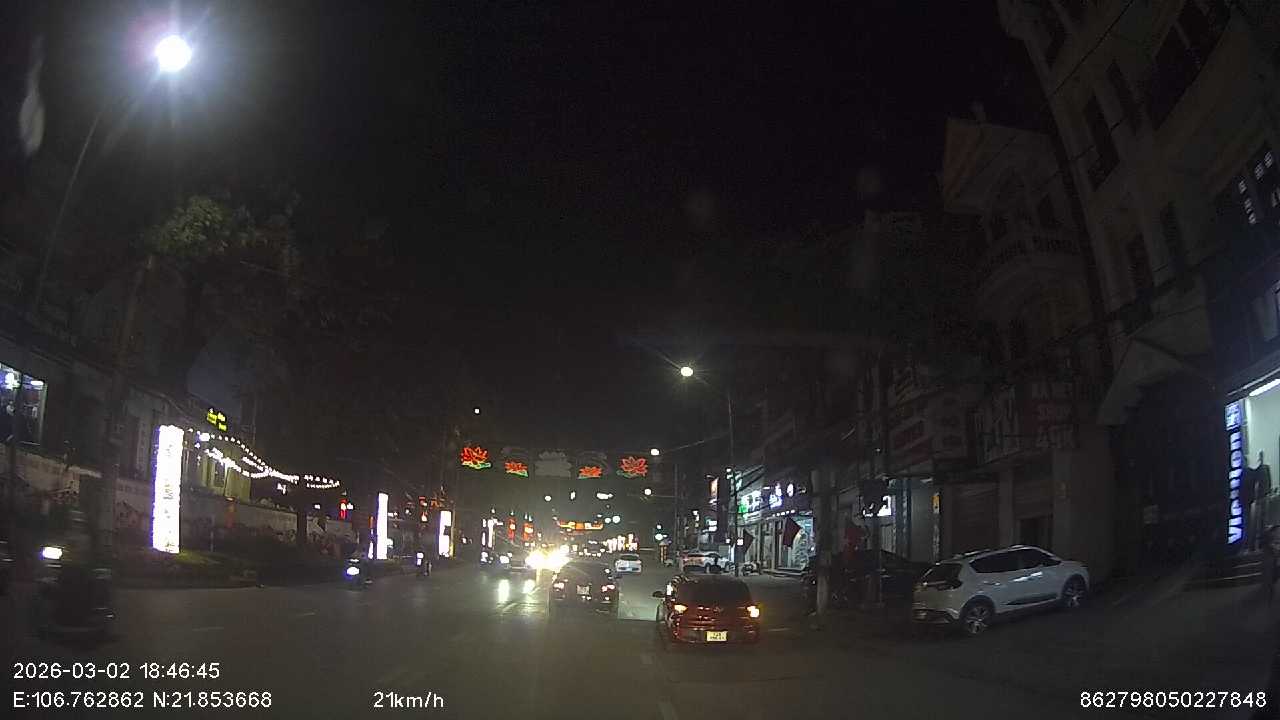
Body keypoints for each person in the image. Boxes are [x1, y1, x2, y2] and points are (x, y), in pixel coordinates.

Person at [1262, 525, 1277, 606]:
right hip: (1269, 558)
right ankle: (1269, 588)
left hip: (1270, 558)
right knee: (1269, 573)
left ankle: (1270, 587)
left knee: (1271, 573)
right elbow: (1270, 546)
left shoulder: (1269, 537)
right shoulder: (1268, 537)